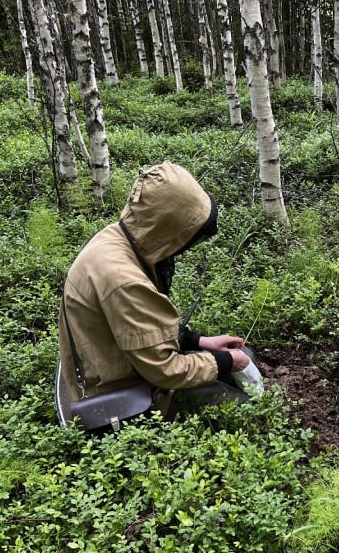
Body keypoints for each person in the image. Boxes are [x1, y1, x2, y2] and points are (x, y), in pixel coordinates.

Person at [56, 162, 257, 428]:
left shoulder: (117, 238)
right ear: (169, 227)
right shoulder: (124, 279)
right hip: (117, 398)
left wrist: (199, 341)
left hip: (120, 364)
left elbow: (138, 329)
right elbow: (166, 371)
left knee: (241, 356)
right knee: (238, 406)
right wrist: (224, 362)